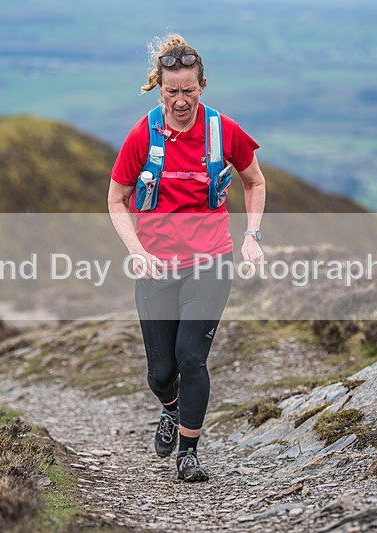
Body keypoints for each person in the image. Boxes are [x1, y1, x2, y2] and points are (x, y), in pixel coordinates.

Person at [108, 34, 266, 482]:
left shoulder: (223, 131)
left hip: (211, 261)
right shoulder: (143, 134)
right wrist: (136, 251)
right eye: (171, 92)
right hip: (156, 266)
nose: (180, 101)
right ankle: (171, 410)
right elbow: (116, 199)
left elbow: (254, 181)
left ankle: (188, 454)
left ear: (203, 86)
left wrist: (252, 234)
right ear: (158, 88)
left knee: (191, 359)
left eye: (189, 91)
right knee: (161, 373)